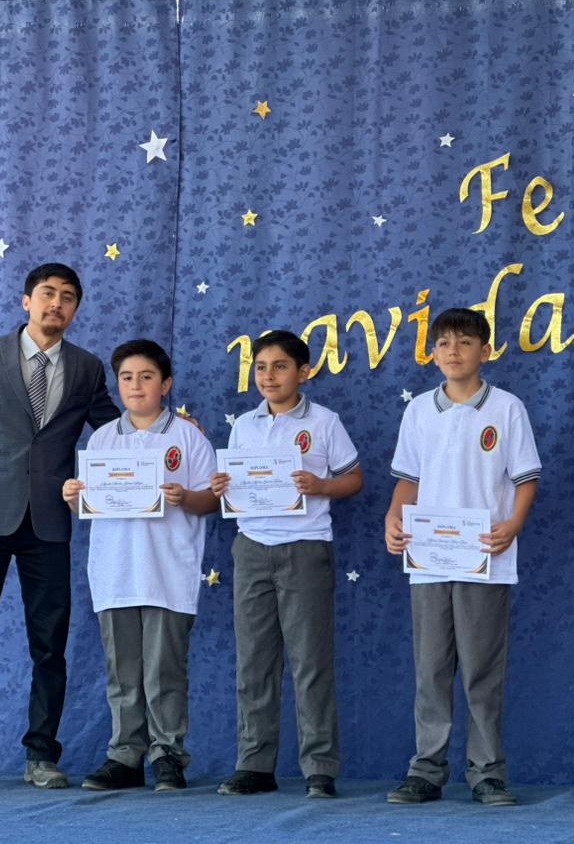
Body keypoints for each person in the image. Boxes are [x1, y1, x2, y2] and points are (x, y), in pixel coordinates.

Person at [0, 263, 120, 790]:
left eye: (68, 297)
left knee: (49, 647)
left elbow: (117, 429)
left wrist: (168, 426)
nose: (57, 303)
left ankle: (41, 755)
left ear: (75, 309)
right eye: (47, 294)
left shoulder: (86, 367)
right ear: (26, 301)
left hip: (49, 522)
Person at [383, 307, 540, 807]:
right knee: (430, 668)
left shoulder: (507, 408)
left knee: (480, 670)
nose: (454, 351)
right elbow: (408, 480)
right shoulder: (418, 411)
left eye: (465, 342)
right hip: (428, 558)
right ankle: (426, 770)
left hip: (484, 555)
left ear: (485, 351)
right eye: (445, 343)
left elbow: (526, 479)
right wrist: (393, 519)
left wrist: (513, 525)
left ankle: (487, 772)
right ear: (432, 353)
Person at [210, 330, 363, 799]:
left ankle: (319, 767)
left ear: (304, 372)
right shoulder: (244, 425)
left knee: (310, 661)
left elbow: (353, 479)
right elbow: (236, 481)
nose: (269, 376)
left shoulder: (324, 421)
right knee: (254, 661)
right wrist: (222, 486)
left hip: (305, 547)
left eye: (280, 367)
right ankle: (254, 764)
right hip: (252, 546)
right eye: (260, 367)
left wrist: (321, 486)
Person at [62, 339, 217, 793]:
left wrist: (184, 498)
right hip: (115, 572)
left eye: (146, 377)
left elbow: (212, 499)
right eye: (126, 378)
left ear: (165, 385)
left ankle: (167, 754)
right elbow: (92, 504)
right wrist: (73, 499)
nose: (135, 385)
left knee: (164, 671)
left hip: (168, 571)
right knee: (123, 672)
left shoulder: (187, 436)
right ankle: (125, 755)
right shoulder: (103, 438)